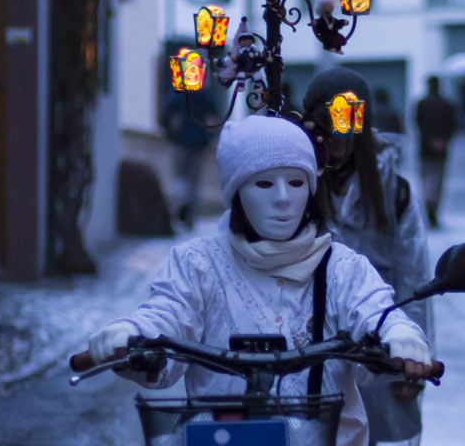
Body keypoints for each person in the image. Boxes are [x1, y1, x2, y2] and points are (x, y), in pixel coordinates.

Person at [86, 114, 431, 446]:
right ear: (237, 192)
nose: (282, 197)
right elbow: (169, 313)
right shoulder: (198, 264)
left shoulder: (341, 267)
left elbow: (373, 310)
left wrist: (397, 334)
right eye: (264, 182)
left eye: (296, 182)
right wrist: (134, 334)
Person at [301, 68, 431, 446]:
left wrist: (412, 357)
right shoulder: (294, 183)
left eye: (349, 118)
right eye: (329, 119)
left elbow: (414, 277)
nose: (339, 133)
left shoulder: (394, 191)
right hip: (309, 351)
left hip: (379, 347)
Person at [162, 88, 216, 228]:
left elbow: (168, 117)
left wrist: (171, 135)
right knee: (193, 181)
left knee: (180, 178)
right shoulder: (204, 96)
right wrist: (208, 138)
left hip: (180, 142)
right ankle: (189, 217)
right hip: (198, 143)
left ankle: (179, 210)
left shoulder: (177, 95)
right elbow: (212, 119)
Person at [414, 76, 456, 229]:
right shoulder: (447, 104)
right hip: (441, 150)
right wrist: (443, 141)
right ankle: (434, 212)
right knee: (438, 182)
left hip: (425, 149)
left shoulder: (421, 104)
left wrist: (430, 140)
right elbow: (453, 125)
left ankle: (429, 208)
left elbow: (418, 124)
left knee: (426, 182)